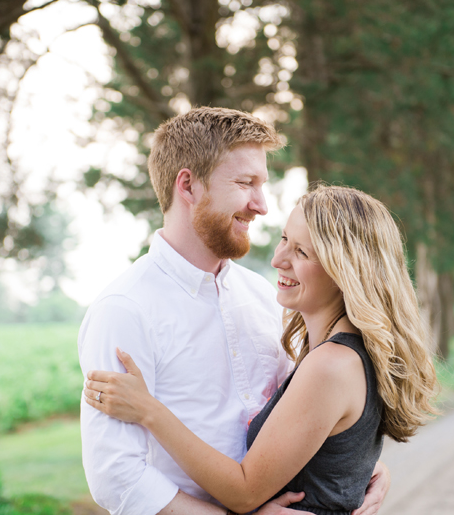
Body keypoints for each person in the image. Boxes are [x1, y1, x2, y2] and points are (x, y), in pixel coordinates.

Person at [77, 107, 391, 515]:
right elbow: (117, 477)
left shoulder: (262, 295)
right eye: (245, 183)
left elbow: (304, 413)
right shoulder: (124, 310)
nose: (261, 205)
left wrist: (355, 462)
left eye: (262, 184)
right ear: (188, 186)